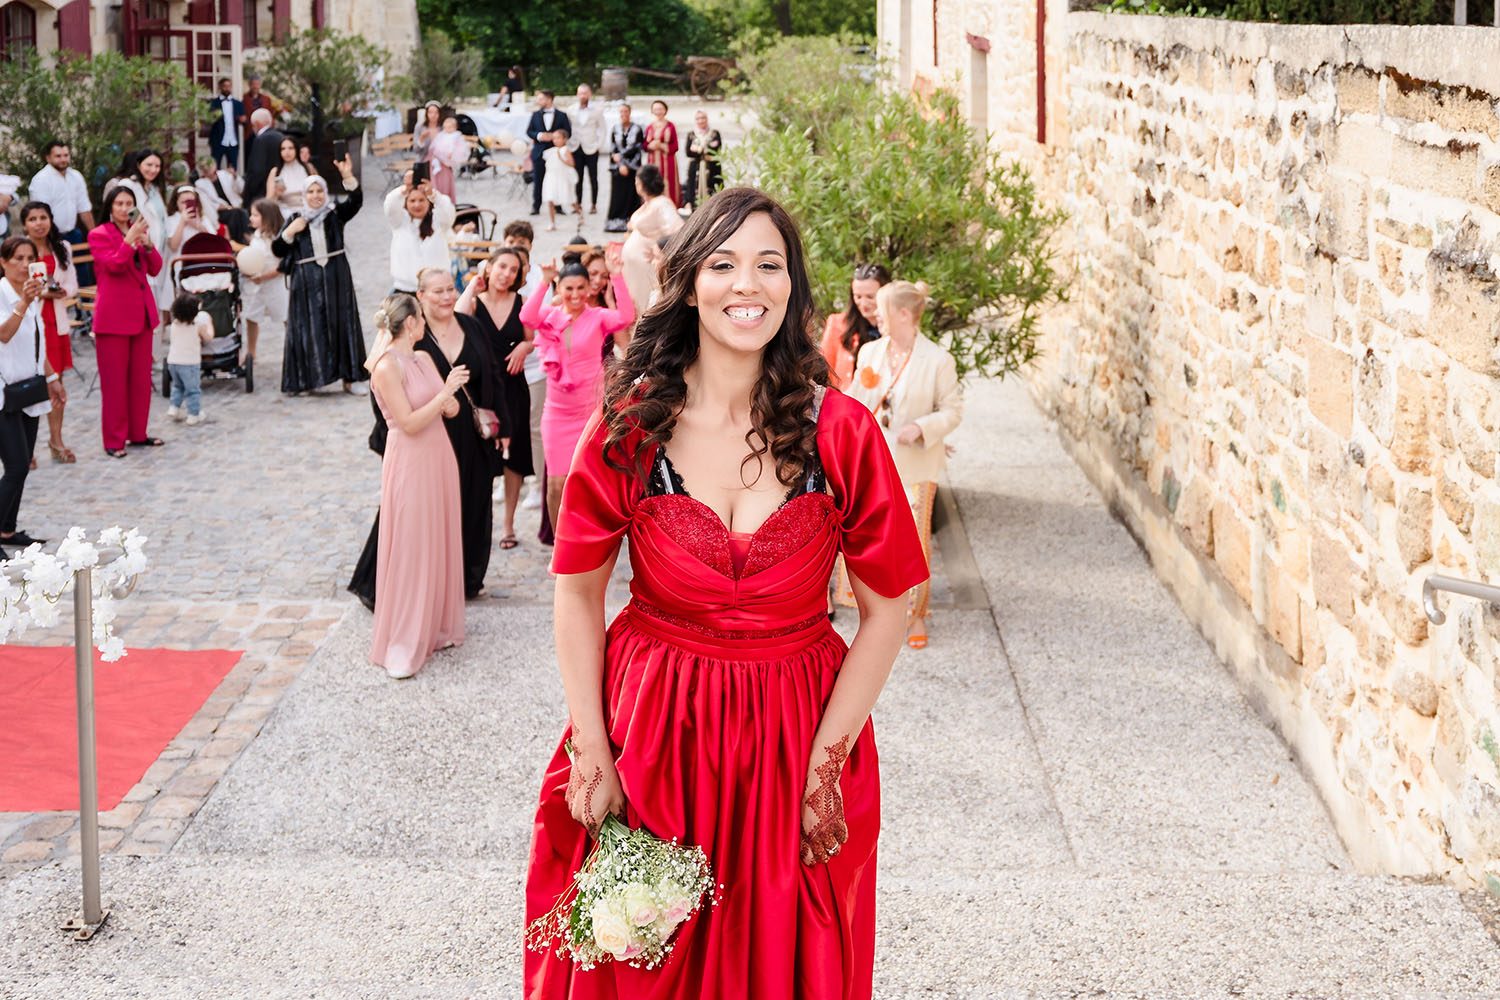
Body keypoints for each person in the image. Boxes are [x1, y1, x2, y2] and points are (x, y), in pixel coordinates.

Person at [523, 188, 927, 997]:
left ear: (792, 287)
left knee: (784, 958)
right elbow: (576, 593)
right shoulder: (630, 426)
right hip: (655, 729)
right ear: (688, 282)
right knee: (639, 953)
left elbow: (891, 607)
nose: (749, 284)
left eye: (769, 265)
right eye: (725, 264)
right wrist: (592, 741)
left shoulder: (841, 431)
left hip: (795, 732)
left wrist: (827, 760)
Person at [844, 280, 962, 649]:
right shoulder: (870, 352)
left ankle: (916, 617)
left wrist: (922, 427)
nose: (875, 314)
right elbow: (856, 399)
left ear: (904, 315)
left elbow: (953, 410)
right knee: (873, 537)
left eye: (881, 308)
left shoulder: (939, 360)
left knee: (916, 543)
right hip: (875, 462)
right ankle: (878, 613)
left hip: (916, 465)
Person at [366, 292, 468, 679]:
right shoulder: (386, 367)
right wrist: (445, 394)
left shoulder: (423, 358)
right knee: (411, 544)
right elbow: (407, 422)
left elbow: (450, 410)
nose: (424, 323)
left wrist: (450, 396)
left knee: (437, 537)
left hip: (438, 455)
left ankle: (434, 627)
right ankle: (403, 641)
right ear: (410, 323)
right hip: (409, 459)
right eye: (421, 318)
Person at [520, 252, 632, 531]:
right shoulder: (549, 316)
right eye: (569, 288)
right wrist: (544, 282)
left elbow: (627, 316)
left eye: (581, 288)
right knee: (557, 483)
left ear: (588, 289)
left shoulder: (598, 317)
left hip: (590, 412)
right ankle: (561, 542)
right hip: (557, 414)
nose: (575, 294)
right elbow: (526, 315)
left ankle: (587, 536)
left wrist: (616, 275)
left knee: (588, 479)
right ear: (560, 289)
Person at [415, 266, 503, 599]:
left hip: (472, 433)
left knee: (474, 502)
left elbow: (492, 374)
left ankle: (467, 577)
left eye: (450, 289)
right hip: (430, 433)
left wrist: (501, 424)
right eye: (437, 291)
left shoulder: (470, 325)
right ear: (420, 295)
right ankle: (432, 578)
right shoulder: (414, 333)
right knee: (432, 508)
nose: (447, 296)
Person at [457, 246, 534, 549]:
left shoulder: (522, 302)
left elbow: (532, 337)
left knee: (514, 457)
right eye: (501, 266)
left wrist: (524, 348)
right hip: (482, 389)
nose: (506, 274)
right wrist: (471, 286)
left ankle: (508, 525)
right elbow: (457, 320)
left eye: (513, 269)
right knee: (480, 455)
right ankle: (480, 522)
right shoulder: (474, 303)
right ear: (489, 267)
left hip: (514, 385)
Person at [271, 162, 368, 395]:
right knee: (308, 328)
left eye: (319, 191)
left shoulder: (335, 214)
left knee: (343, 323)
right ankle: (305, 380)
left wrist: (347, 176)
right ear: (304, 195)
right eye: (311, 192)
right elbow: (277, 250)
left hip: (336, 278)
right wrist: (290, 232)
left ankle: (351, 378)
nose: (316, 196)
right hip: (306, 283)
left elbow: (355, 201)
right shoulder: (295, 217)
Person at [0, 238, 66, 556]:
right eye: (18, 258)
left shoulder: (33, 294)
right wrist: (24, 303)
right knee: (14, 466)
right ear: (4, 262)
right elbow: (4, 333)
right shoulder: (5, 293)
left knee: (23, 463)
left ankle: (7, 528)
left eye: (30, 258)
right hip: (3, 391)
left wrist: (52, 377)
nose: (25, 264)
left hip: (29, 386)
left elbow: (35, 342)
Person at [88, 185, 163, 458]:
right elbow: (114, 266)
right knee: (115, 383)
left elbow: (155, 267)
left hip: (142, 315)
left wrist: (148, 245)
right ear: (110, 206)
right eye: (118, 203)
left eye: (127, 203)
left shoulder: (137, 230)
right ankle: (114, 440)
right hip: (113, 317)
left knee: (140, 380)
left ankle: (138, 433)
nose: (123, 208)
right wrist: (129, 242)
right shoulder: (98, 234)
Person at [19, 201, 77, 463]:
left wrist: (60, 292)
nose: (39, 223)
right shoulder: (19, 252)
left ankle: (56, 439)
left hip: (55, 321)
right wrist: (42, 293)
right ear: (24, 224)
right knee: (26, 384)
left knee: (56, 383)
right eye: (33, 219)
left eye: (43, 217)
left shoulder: (61, 248)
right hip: (28, 322)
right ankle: (24, 446)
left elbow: (72, 284)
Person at [620, 164, 682, 351]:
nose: (636, 184)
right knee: (633, 304)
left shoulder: (662, 203)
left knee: (645, 305)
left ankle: (645, 344)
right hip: (633, 267)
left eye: (637, 181)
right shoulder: (648, 203)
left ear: (643, 183)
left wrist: (659, 247)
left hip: (645, 265)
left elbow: (677, 229)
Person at [111, 149, 172, 324]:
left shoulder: (153, 188)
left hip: (158, 249)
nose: (153, 170)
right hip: (140, 246)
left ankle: (155, 348)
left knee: (158, 299)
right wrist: (142, 235)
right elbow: (130, 214)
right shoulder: (129, 186)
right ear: (139, 165)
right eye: (149, 165)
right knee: (147, 298)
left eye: (157, 166)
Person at [819, 263, 889, 391]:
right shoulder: (837, 323)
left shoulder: (894, 328)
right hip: (846, 401)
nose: (863, 303)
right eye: (858, 296)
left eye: (870, 297)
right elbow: (823, 370)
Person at [384, 173, 456, 293]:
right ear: (405, 203)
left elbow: (448, 212)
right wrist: (404, 189)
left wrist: (433, 194)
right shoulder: (399, 222)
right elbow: (390, 206)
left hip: (435, 289)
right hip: (404, 288)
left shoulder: (439, 222)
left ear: (429, 202)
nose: (417, 205)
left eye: (422, 200)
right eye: (412, 201)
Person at [239, 199, 286, 366]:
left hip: (275, 284)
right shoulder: (256, 237)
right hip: (256, 287)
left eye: (255, 215)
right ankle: (251, 351)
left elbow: (282, 265)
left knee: (286, 317)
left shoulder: (278, 239)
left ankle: (291, 350)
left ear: (266, 217)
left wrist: (265, 277)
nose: (251, 218)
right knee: (251, 317)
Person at [26, 142, 95, 255]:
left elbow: (84, 209)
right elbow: (41, 213)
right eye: (58, 156)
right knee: (57, 271)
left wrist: (94, 234)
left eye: (66, 155)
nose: (63, 159)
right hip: (51, 236)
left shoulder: (76, 176)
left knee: (82, 271)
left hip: (74, 234)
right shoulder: (41, 180)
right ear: (48, 158)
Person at [164, 292, 213, 425]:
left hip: (173, 362)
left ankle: (174, 408)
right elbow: (208, 338)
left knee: (178, 386)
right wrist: (210, 327)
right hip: (189, 364)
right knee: (193, 390)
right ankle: (193, 414)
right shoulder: (197, 326)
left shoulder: (174, 325)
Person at [526, 91, 571, 216]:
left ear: (549, 99)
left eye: (541, 99)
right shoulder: (535, 115)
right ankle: (536, 206)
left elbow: (568, 132)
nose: (538, 101)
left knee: (557, 179)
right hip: (539, 152)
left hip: (556, 153)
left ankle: (558, 206)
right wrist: (540, 136)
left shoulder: (562, 115)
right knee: (538, 180)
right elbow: (529, 131)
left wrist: (556, 136)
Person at [605, 104, 644, 233]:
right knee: (617, 195)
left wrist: (626, 164)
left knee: (632, 194)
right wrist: (620, 164)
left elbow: (636, 148)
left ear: (630, 112)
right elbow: (612, 148)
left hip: (632, 167)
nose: (623, 114)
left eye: (626, 111)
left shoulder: (637, 129)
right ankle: (615, 221)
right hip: (618, 167)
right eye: (621, 111)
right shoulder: (615, 128)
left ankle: (631, 221)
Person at [569, 83, 606, 216]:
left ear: (590, 94)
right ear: (577, 94)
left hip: (591, 147)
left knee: (593, 177)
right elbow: (568, 128)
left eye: (585, 93)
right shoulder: (571, 109)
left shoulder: (596, 110)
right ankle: (578, 204)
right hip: (576, 147)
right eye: (580, 93)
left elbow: (602, 128)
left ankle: (593, 204)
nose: (583, 96)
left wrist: (598, 145)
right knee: (578, 178)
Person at [242, 109, 285, 217]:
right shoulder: (280, 136)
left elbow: (257, 170)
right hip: (279, 188)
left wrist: (248, 191)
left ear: (256, 124)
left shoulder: (260, 139)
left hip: (260, 193)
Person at [194, 158, 249, 243]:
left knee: (240, 212)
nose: (208, 170)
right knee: (237, 214)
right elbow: (207, 202)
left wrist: (235, 176)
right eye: (205, 169)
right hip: (219, 210)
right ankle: (239, 239)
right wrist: (225, 207)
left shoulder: (224, 174)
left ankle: (242, 238)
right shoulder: (200, 183)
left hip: (235, 206)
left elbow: (241, 188)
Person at [644, 99, 681, 208]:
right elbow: (644, 145)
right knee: (652, 182)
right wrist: (650, 146)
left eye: (660, 109)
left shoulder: (671, 126)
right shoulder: (649, 127)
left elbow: (675, 146)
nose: (658, 111)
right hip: (653, 161)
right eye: (655, 109)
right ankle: (653, 208)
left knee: (668, 183)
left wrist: (661, 145)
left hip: (668, 160)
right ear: (652, 111)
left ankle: (671, 207)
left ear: (665, 110)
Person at [684, 110, 723, 210]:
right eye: (698, 119)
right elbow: (688, 152)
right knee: (693, 186)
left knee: (713, 187)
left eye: (703, 118)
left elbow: (717, 149)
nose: (701, 121)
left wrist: (699, 149)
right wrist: (703, 150)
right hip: (696, 166)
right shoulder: (691, 134)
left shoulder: (714, 133)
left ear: (707, 119)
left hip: (712, 166)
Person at [540, 130, 577, 233]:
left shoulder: (565, 150)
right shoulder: (551, 151)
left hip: (561, 178)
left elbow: (571, 164)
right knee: (550, 199)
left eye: (558, 138)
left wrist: (561, 159)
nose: (555, 140)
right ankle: (552, 222)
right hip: (551, 178)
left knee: (570, 200)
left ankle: (580, 214)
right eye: (554, 138)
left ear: (564, 139)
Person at [267, 135, 316, 212]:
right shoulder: (275, 171)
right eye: (283, 149)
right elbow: (269, 201)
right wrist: (277, 194)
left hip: (308, 210)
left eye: (290, 148)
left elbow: (320, 189)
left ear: (296, 149)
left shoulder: (308, 167)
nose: (287, 152)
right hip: (284, 212)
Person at [207, 77, 246, 170]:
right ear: (220, 87)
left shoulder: (238, 104)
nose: (227, 88)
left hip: (233, 141)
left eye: (229, 86)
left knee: (233, 169)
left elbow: (244, 121)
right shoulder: (213, 103)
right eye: (224, 86)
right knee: (215, 168)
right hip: (218, 141)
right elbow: (209, 120)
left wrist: (243, 120)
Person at [428, 116, 469, 200]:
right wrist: (438, 154)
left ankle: (446, 199)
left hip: (447, 164)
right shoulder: (441, 135)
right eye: (446, 127)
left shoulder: (457, 136)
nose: (447, 129)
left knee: (446, 183)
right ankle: (437, 198)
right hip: (438, 162)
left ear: (455, 127)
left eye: (450, 127)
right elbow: (434, 146)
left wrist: (450, 155)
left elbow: (460, 149)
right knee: (437, 183)